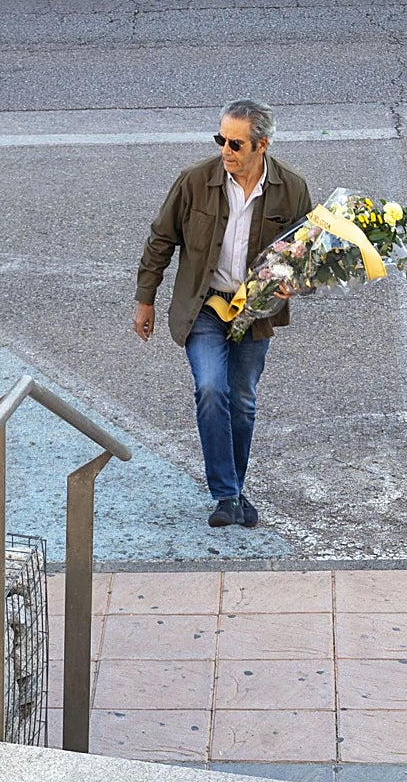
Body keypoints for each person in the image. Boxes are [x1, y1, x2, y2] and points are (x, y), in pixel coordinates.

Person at [134, 98, 312, 528]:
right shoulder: (195, 181)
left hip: (255, 311)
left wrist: (295, 282)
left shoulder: (292, 188)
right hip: (204, 306)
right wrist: (146, 299)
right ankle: (228, 494)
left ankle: (234, 490)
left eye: (235, 143)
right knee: (213, 390)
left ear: (261, 145)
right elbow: (161, 239)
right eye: (220, 140)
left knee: (244, 402)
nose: (225, 151)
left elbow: (308, 252)